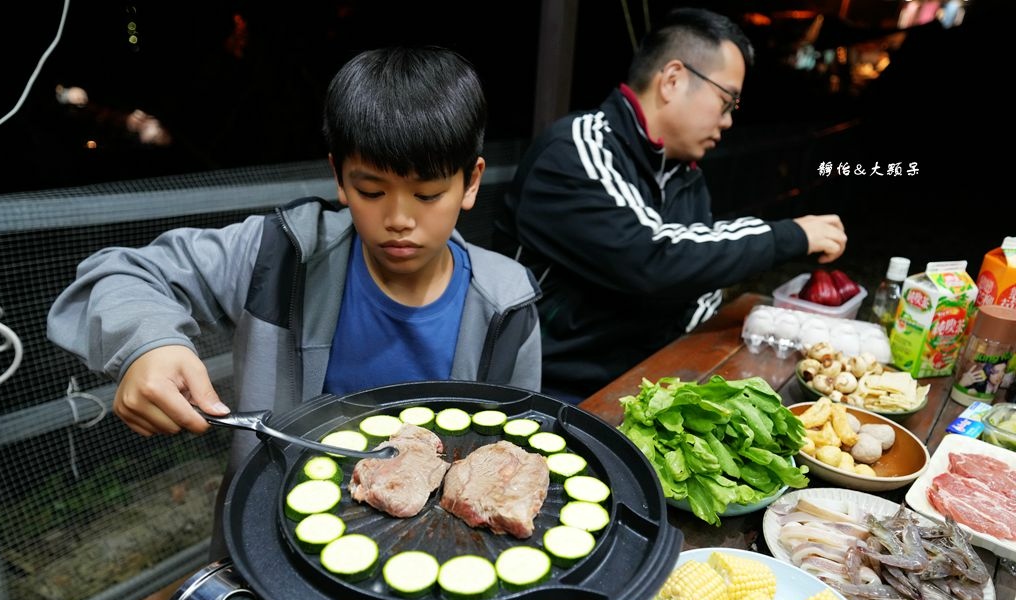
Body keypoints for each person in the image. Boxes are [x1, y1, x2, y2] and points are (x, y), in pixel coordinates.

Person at [46, 46, 542, 558]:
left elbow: (518, 447)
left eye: (427, 194)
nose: (399, 218)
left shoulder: (508, 305)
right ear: (339, 176)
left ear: (472, 181)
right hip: (273, 549)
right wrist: (145, 345)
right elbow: (121, 271)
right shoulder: (280, 254)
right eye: (371, 191)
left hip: (433, 552)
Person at [494, 7, 846, 403]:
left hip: (642, 382)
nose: (729, 121)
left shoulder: (684, 176)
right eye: (727, 100)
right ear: (674, 80)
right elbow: (651, 257)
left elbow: (696, 282)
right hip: (548, 390)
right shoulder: (578, 148)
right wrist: (790, 235)